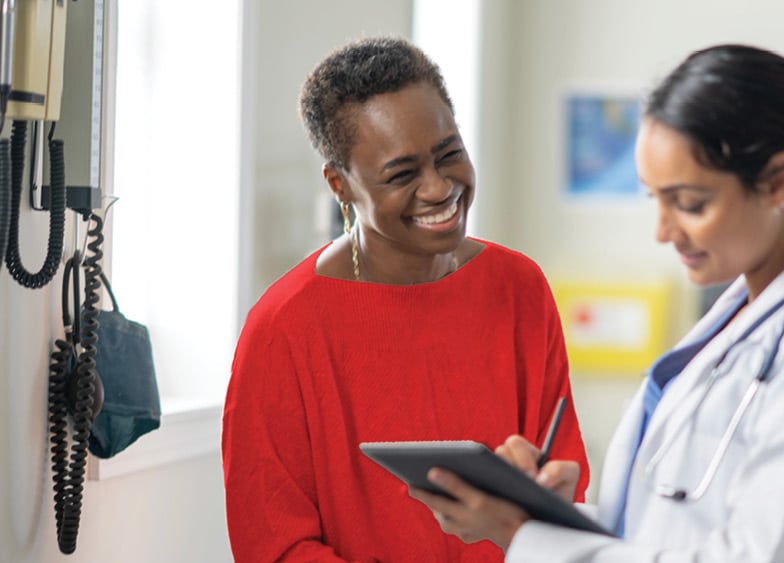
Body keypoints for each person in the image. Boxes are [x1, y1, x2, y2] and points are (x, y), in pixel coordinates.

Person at [410, 44, 784, 562]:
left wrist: (528, 538)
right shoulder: (742, 316)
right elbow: (668, 529)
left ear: (779, 183)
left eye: (689, 203)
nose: (664, 231)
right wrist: (548, 518)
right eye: (656, 199)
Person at [221, 36, 590, 562]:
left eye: (450, 155)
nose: (440, 188)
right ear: (340, 185)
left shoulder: (519, 287)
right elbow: (274, 545)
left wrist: (550, 494)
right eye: (402, 174)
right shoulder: (283, 329)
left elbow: (564, 480)